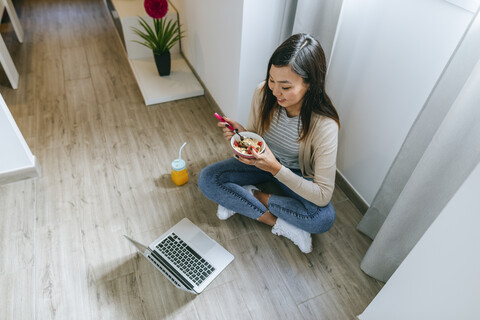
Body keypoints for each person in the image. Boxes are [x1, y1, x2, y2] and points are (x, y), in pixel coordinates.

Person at [198, 33, 340, 253]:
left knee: (323, 218)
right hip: (260, 162)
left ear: (310, 84)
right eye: (272, 80)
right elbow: (256, 138)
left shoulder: (325, 125)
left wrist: (276, 168)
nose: (275, 91)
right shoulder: (263, 92)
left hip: (291, 172)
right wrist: (241, 135)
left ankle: (251, 195)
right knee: (207, 178)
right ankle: (279, 224)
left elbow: (322, 195)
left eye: (285, 87)